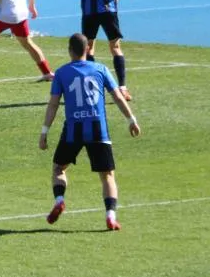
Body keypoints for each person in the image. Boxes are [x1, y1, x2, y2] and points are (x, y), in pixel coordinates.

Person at [40, 33, 141, 231]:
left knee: (59, 168)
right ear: (87, 49)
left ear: (69, 50)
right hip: (97, 128)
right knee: (107, 175)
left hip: (73, 129)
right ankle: (110, 215)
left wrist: (44, 132)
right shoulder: (100, 69)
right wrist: (131, 120)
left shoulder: (61, 73)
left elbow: (53, 105)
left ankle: (60, 199)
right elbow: (119, 97)